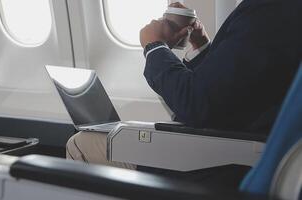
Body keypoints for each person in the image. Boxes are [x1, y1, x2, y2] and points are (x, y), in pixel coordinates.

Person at [66, 0, 302, 184]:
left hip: (219, 163)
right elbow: (226, 92)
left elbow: (195, 104)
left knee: (81, 143)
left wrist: (154, 46)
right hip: (228, 145)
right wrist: (202, 48)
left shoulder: (269, 11)